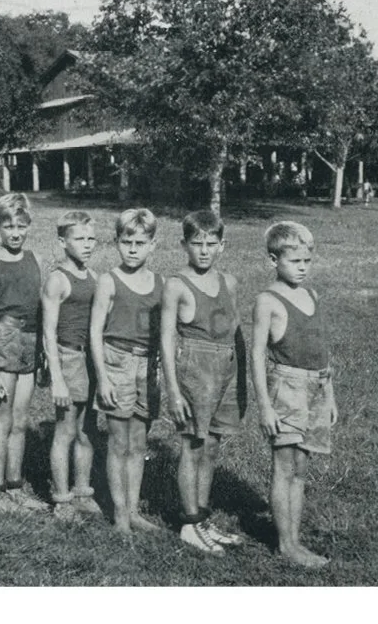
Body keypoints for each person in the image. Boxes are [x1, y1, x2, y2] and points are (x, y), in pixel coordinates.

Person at [251, 221, 337, 568]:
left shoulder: (311, 295)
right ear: (273, 260)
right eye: (294, 261)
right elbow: (257, 354)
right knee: (284, 465)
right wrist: (265, 406)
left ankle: (295, 539)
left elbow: (321, 351)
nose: (303, 267)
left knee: (301, 466)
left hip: (315, 386)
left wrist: (329, 395)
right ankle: (286, 545)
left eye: (307, 261)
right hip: (285, 387)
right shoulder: (267, 301)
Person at [160, 209, 247, 555]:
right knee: (192, 445)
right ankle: (189, 522)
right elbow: (166, 339)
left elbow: (236, 331)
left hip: (225, 366)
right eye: (197, 244)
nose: (204, 251)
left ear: (222, 245)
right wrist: (173, 389)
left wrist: (240, 382)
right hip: (195, 368)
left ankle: (203, 516)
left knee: (212, 447)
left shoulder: (230, 283)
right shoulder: (176, 285)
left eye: (211, 244)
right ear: (184, 245)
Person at [91, 208, 165, 534]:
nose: (133, 249)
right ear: (116, 243)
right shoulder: (109, 281)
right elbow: (94, 333)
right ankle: (120, 514)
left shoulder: (161, 283)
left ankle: (134, 509)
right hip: (116, 362)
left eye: (140, 242)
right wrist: (103, 378)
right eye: (126, 242)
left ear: (153, 245)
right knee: (118, 442)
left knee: (138, 442)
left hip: (147, 366)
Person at [0, 193, 46, 513]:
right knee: (1, 418)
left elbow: (41, 309)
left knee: (20, 420)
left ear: (29, 226)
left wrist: (43, 353)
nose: (15, 233)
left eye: (21, 226)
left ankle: (15, 487)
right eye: (8, 227)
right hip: (2, 338)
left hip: (30, 340)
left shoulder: (35, 259)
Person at [41, 211, 102, 521]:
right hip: (68, 357)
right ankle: (61, 499)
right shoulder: (57, 279)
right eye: (80, 239)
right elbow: (48, 333)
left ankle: (82, 491)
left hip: (90, 360)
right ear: (62, 241)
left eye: (91, 238)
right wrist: (58, 379)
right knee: (65, 430)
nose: (87, 245)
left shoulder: (93, 277)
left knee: (87, 430)